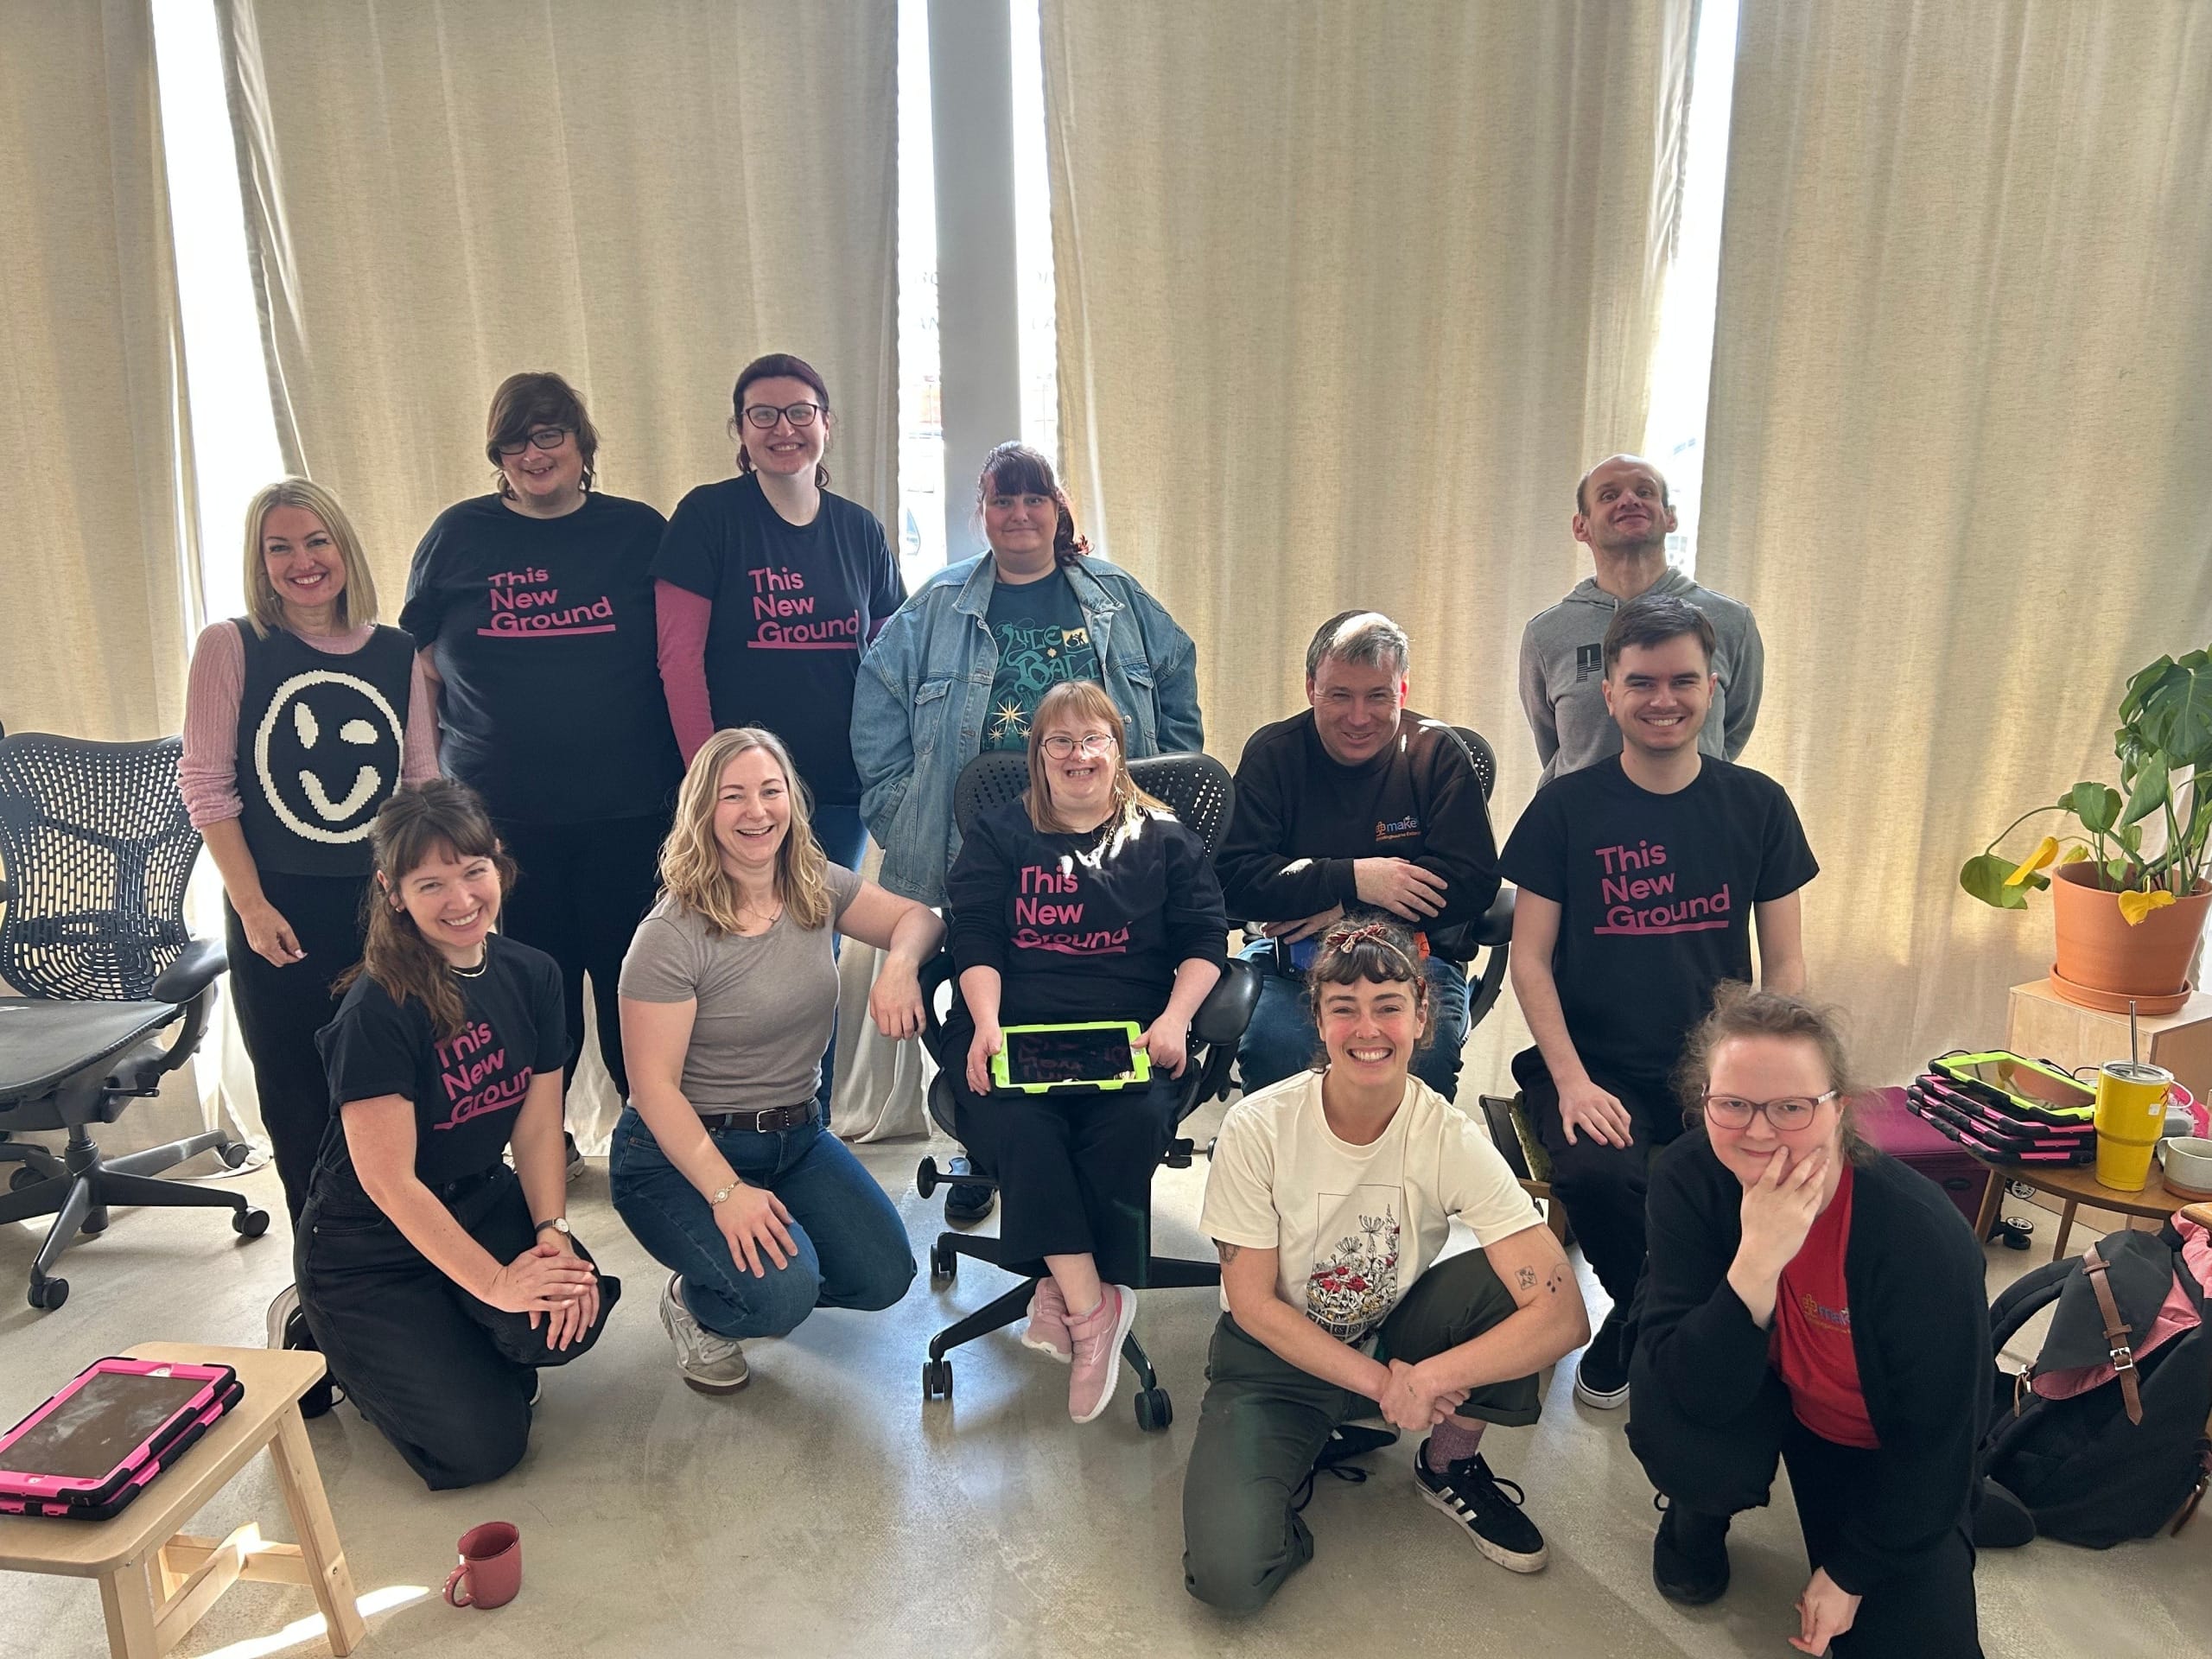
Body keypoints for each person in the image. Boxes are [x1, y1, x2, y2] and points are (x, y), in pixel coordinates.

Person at [1183, 917, 1590, 1615]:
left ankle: (1449, 1464)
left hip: (1392, 1330)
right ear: (1317, 1018)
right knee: (1228, 1575)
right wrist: (1384, 1386)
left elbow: (1564, 1314)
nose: (1367, 1029)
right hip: (1272, 1359)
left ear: (1421, 1013)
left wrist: (1427, 1378)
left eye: (1388, 1006)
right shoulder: (1257, 1128)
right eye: (1344, 1008)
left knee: (1515, 1280)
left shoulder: (1447, 1137)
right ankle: (1299, 1445)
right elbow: (1253, 1304)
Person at [855, 441, 1202, 1220]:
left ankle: (1078, 1154)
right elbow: (876, 693)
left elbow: (1175, 673)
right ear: (982, 512)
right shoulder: (939, 605)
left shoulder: (1113, 596)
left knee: (1083, 981)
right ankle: (993, 1147)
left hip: (1100, 843)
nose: (1018, 515)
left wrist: (1159, 778)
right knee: (987, 985)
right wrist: (897, 803)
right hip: (973, 851)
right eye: (1001, 501)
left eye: (1032, 499)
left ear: (1058, 508)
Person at [1502, 592, 1815, 1412]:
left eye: (1683, 680)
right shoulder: (1566, 808)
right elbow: (1528, 961)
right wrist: (1571, 1082)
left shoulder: (1758, 806)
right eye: (1642, 682)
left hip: (1715, 1067)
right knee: (1600, 1174)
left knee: (1753, 1174)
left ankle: (1644, 1327)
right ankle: (1665, 1324)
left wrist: (1770, 1084)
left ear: (1714, 686)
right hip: (1592, 1063)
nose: (1663, 699)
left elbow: (1783, 963)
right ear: (1610, 693)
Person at [1629, 987, 1988, 1656]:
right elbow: (1690, 1389)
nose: (1759, 1131)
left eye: (1792, 1107)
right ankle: (1694, 1517)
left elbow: (1940, 1438)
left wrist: (1849, 1573)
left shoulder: (1919, 1236)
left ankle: (1965, 1515)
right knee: (1690, 1438)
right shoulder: (1686, 1180)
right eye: (1733, 1104)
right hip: (1751, 1395)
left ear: (1839, 1109)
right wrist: (1755, 1265)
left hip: (1867, 1438)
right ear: (1703, 1100)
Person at [297, 780, 620, 1491]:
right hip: (368, 1243)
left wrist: (552, 1232)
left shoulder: (532, 973)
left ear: (498, 866)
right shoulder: (376, 1007)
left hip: (479, 1199)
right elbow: (388, 1181)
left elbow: (538, 1126)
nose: (461, 898)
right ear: (393, 891)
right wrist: (498, 1282)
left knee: (569, 1317)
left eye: (474, 871)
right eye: (431, 882)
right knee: (485, 1447)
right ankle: (326, 1334)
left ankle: (451, 1327)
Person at [403, 372, 681, 1168]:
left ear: (582, 443)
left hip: (632, 813)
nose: (534, 453)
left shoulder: (636, 532)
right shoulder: (458, 537)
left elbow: (679, 651)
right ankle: (537, 1148)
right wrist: (424, 791)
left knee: (637, 991)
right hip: (497, 827)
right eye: (516, 440)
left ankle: (654, 1142)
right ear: (498, 454)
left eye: (550, 434)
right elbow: (418, 667)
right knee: (524, 999)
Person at [613, 727, 940, 1395]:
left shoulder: (812, 885)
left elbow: (920, 920)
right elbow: (652, 1089)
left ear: (792, 799)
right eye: (733, 797)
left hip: (797, 1137)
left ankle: (767, 1268)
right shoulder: (669, 935)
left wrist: (899, 968)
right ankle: (694, 1305)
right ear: (703, 812)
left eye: (770, 791)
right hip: (680, 1152)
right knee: (780, 1300)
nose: (757, 812)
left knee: (885, 1277)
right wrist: (726, 1193)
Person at [942, 681, 1228, 1422]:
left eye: (1093, 740)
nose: (1078, 756)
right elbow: (972, 935)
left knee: (1124, 1128)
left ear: (1117, 749)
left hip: (1130, 1039)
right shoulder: (1001, 835)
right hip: (1015, 1031)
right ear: (1038, 756)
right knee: (1020, 1129)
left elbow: (1205, 944)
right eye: (1059, 742)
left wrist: (1173, 1020)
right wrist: (985, 1022)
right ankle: (1092, 1307)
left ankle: (1054, 1285)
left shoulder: (1165, 837)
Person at [181, 478, 439, 1229]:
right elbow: (208, 786)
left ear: (343, 549)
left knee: (395, 1086)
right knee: (298, 1098)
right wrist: (250, 905)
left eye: (316, 541)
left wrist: (426, 905)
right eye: (280, 547)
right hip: (279, 909)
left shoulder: (396, 652)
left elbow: (420, 784)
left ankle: (409, 1258)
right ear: (260, 564)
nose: (303, 562)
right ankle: (321, 1263)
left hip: (383, 908)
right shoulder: (232, 646)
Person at [652, 353, 906, 1116]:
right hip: (739, 796)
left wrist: (892, 764)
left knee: (810, 958)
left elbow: (891, 662)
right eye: (763, 414)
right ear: (739, 430)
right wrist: (710, 784)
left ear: (827, 424)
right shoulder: (708, 517)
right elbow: (678, 658)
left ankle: (807, 1122)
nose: (784, 429)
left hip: (834, 790)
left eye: (800, 412)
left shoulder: (859, 530)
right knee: (727, 955)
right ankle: (718, 1126)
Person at [1215, 612, 1498, 1101]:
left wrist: (1347, 908)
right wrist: (1353, 878)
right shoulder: (1274, 754)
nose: (1359, 717)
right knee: (1276, 1050)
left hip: (1414, 962)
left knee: (1422, 1057)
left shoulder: (1438, 754)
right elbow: (1232, 883)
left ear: (1402, 691)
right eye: (1340, 695)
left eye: (1378, 696)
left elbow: (1472, 882)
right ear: (1310, 688)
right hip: (1294, 966)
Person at [1517, 453, 1764, 783]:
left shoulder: (1733, 621)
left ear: (1670, 517)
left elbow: (1732, 730)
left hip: (1694, 824)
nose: (1629, 500)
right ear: (1581, 526)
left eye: (1645, 492)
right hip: (1583, 825)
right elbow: (1553, 743)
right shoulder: (1546, 634)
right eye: (1609, 495)